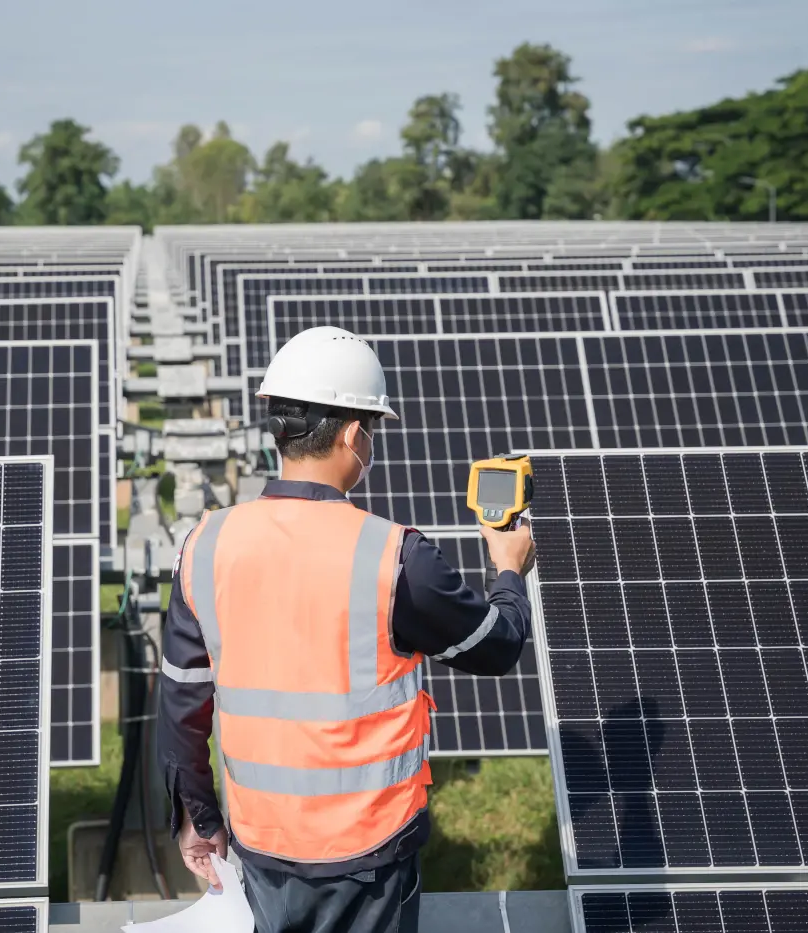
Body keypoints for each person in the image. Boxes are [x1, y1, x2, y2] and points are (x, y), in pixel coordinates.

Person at [157, 326, 535, 933]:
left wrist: (197, 819)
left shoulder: (205, 544)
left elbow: (180, 699)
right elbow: (496, 645)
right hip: (372, 855)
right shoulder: (394, 555)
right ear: (357, 436)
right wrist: (509, 569)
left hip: (262, 844)